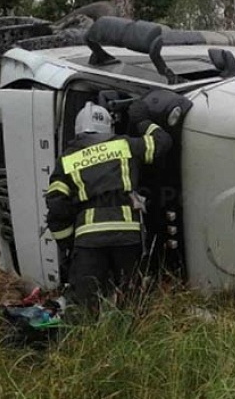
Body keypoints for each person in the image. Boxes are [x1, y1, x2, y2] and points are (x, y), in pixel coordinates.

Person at [45, 98, 172, 311]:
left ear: (78, 131)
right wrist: (142, 121)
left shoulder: (66, 160)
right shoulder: (125, 145)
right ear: (108, 126)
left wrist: (69, 247)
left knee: (85, 308)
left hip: (89, 241)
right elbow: (163, 142)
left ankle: (86, 343)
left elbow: (57, 208)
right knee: (133, 302)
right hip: (127, 236)